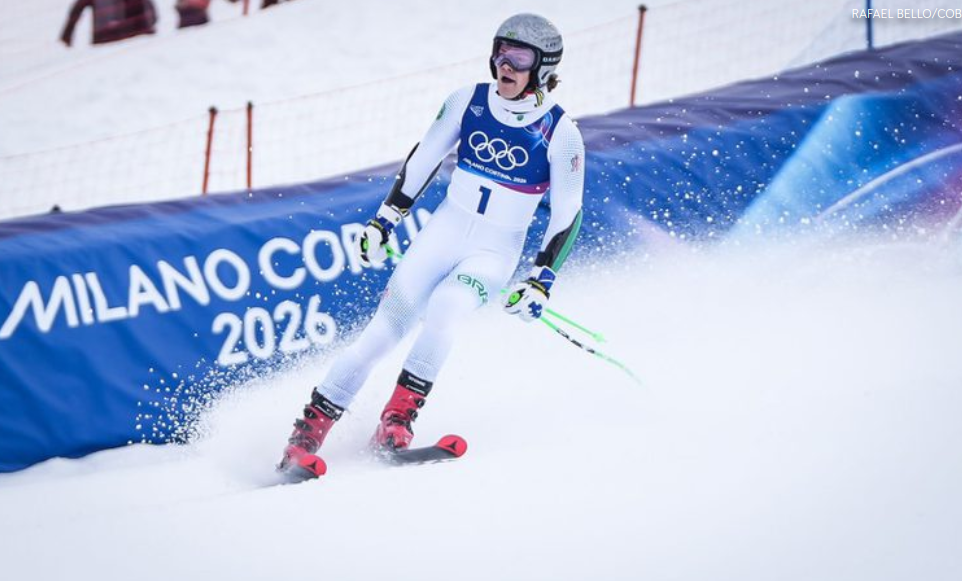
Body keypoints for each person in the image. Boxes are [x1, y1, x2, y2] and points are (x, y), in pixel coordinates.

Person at [277, 13, 586, 479]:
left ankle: (395, 422)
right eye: (500, 51)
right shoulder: (467, 101)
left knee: (446, 309)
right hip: (441, 235)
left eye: (519, 57)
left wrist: (542, 278)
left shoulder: (561, 133)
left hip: (492, 254)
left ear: (543, 68)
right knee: (382, 331)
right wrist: (385, 220)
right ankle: (304, 437)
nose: (505, 64)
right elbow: (424, 158)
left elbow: (568, 213)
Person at [60, 0, 157, 47]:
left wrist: (67, 34)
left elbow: (77, 8)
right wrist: (152, 21)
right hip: (140, 32)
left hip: (107, 37)